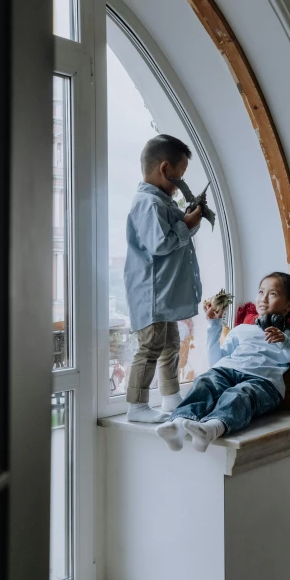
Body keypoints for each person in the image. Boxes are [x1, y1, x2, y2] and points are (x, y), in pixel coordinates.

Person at [156, 272, 290, 451]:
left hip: (263, 382)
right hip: (227, 370)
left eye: (273, 294)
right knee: (205, 382)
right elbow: (216, 361)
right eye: (261, 292)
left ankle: (210, 429)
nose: (263, 299)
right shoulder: (242, 329)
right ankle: (178, 425)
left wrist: (286, 343)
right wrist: (214, 325)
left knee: (240, 393)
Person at [124, 134, 203, 423]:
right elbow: (160, 244)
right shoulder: (148, 203)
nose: (180, 183)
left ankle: (170, 397)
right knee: (150, 346)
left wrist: (187, 222)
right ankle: (136, 405)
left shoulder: (162, 202)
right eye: (178, 177)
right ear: (165, 168)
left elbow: (173, 238)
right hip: (152, 292)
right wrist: (188, 224)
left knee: (170, 342)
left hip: (164, 293)